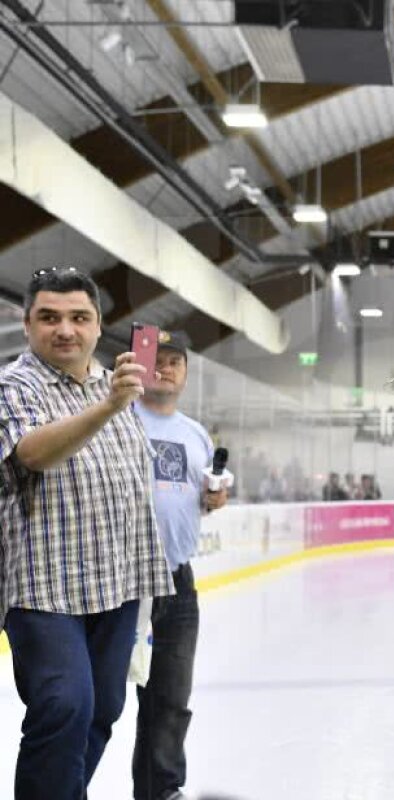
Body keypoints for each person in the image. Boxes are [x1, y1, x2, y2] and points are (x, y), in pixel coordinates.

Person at [0, 267, 174, 800]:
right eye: (49, 317)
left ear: (99, 326)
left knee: (103, 707)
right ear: (28, 324)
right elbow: (32, 453)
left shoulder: (112, 384)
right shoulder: (14, 385)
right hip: (44, 584)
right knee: (64, 703)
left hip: (117, 581)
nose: (65, 330)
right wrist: (107, 408)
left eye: (80, 317)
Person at [132, 330, 229, 800]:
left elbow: (201, 499)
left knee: (170, 698)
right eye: (157, 358)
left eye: (175, 362)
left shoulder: (195, 435)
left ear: (186, 373)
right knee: (105, 700)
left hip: (177, 580)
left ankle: (162, 791)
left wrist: (214, 498)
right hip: (123, 580)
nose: (165, 368)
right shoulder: (119, 419)